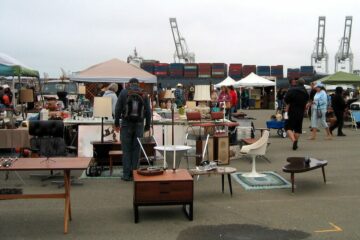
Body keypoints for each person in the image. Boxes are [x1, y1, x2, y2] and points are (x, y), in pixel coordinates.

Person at [114, 78, 151, 181]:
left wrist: (116, 123)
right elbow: (148, 111)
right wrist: (147, 125)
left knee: (126, 150)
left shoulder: (124, 92)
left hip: (126, 124)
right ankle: (135, 174)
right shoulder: (143, 93)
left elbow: (117, 109)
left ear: (129, 84)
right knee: (136, 150)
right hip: (139, 125)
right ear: (138, 84)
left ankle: (126, 175)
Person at [284, 78, 309, 150]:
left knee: (288, 127)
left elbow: (286, 99)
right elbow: (307, 100)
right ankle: (296, 142)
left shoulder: (292, 90)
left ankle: (294, 141)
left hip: (292, 111)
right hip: (301, 112)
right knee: (298, 129)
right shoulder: (305, 92)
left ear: (297, 83)